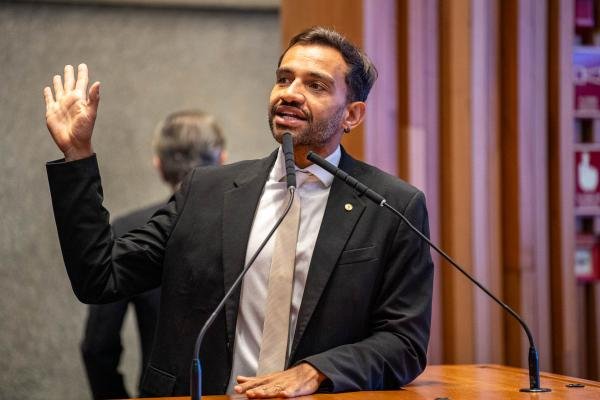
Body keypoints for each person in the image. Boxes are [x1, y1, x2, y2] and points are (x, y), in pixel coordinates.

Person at [43, 27, 433, 398]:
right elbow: (100, 276)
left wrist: (317, 371)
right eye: (284, 79)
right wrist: (77, 155)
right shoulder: (206, 191)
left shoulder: (391, 207)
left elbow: (404, 342)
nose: (290, 93)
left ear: (352, 115)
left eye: (315, 85)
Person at [80, 110, 226, 399]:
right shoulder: (252, 222)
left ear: (159, 165)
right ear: (223, 159)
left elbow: (97, 345)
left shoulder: (129, 228)